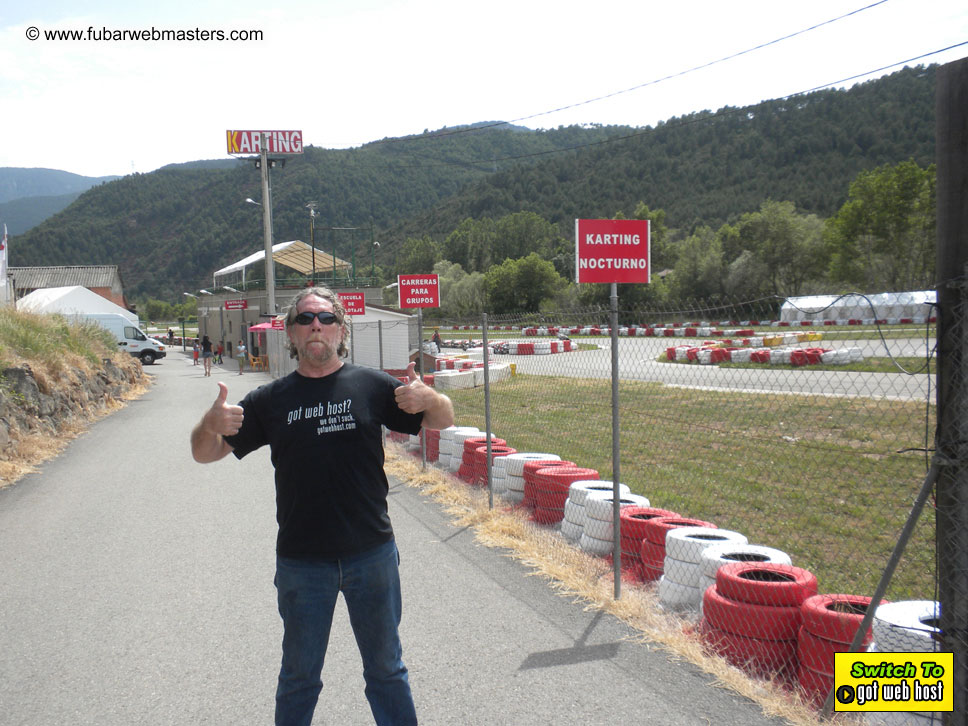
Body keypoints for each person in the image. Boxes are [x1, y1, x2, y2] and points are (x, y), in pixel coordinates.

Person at [190, 287, 454, 726]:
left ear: (341, 330)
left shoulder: (372, 386)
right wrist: (209, 424)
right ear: (291, 333)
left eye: (327, 318)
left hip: (371, 555)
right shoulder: (270, 401)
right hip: (302, 563)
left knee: (387, 671)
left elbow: (441, 421)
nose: (317, 325)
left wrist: (432, 398)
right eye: (306, 318)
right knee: (299, 677)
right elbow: (204, 453)